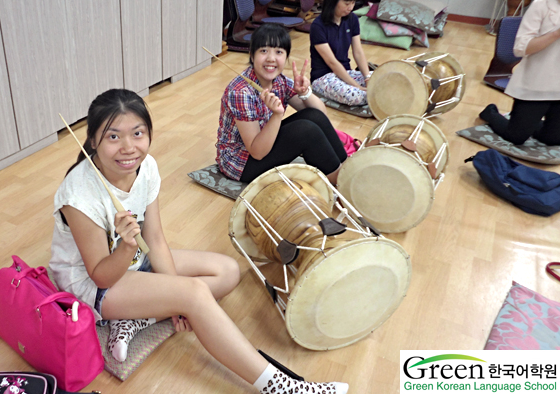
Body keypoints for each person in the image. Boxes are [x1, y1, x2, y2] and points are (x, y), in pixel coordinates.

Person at [49, 89, 349, 394]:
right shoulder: (79, 194)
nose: (128, 148)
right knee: (194, 294)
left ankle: (136, 318)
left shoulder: (146, 167)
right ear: (92, 141)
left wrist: (170, 293)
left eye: (137, 133)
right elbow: (101, 275)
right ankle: (281, 386)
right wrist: (139, 258)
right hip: (94, 283)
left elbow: (154, 239)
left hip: (134, 260)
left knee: (228, 271)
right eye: (113, 137)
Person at [216, 23, 347, 185]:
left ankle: (346, 166)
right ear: (251, 55)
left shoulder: (280, 81)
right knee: (305, 131)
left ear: (286, 57)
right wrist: (277, 115)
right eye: (263, 51)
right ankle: (340, 182)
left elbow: (320, 114)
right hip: (241, 162)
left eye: (278, 52)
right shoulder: (240, 92)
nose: (271, 58)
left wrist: (304, 93)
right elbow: (257, 152)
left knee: (312, 116)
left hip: (265, 142)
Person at [479, 0, 560, 145]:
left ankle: (529, 123)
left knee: (553, 139)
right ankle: (490, 113)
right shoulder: (541, 5)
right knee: (516, 136)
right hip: (536, 84)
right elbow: (520, 48)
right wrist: (556, 34)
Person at [309, 0, 371, 107]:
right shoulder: (317, 26)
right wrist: (357, 86)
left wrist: (367, 77)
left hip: (345, 72)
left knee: (381, 78)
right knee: (355, 95)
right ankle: (376, 97)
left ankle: (375, 95)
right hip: (323, 77)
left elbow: (358, 52)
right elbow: (332, 62)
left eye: (353, 3)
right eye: (347, 4)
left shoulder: (352, 19)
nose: (351, 7)